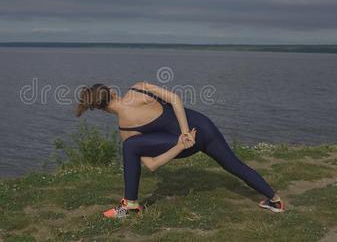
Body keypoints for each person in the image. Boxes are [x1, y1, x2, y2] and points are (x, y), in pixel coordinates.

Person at [75, 82, 285, 218]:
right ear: (112, 91)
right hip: (202, 126)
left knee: (129, 146)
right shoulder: (139, 88)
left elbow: (152, 165)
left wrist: (181, 142)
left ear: (101, 110)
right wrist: (184, 136)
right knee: (234, 165)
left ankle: (130, 205)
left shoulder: (126, 130)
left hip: (184, 140)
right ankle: (275, 200)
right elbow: (175, 98)